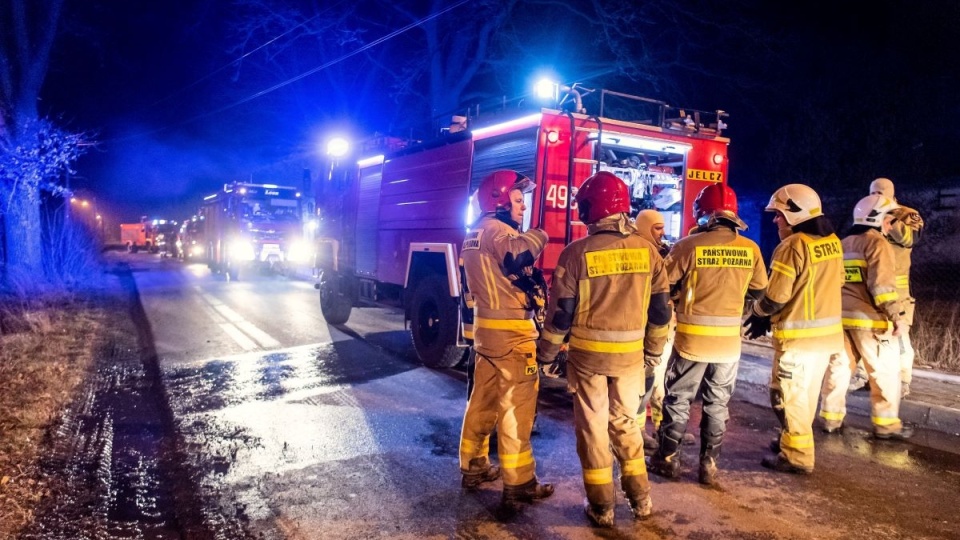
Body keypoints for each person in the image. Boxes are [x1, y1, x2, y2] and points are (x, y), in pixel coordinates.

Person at [536, 171, 671, 527]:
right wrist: (653, 354)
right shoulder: (649, 252)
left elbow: (561, 315)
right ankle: (641, 499)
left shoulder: (574, 254)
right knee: (627, 425)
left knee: (594, 431)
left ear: (589, 209)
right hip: (631, 360)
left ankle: (601, 507)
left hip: (588, 362)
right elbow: (661, 312)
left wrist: (545, 356)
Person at [648, 183, 768, 486]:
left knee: (678, 400)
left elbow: (663, 285)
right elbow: (759, 291)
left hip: (691, 342)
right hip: (729, 345)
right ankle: (708, 466)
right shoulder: (751, 249)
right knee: (718, 404)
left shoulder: (689, 246)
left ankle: (667, 460)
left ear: (703, 215)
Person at [458, 170, 554, 514]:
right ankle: (519, 484)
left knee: (481, 402)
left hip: (487, 336)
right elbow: (517, 256)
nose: (523, 206)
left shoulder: (473, 234)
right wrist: (541, 234)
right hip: (513, 338)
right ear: (498, 200)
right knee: (516, 411)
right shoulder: (499, 231)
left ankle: (474, 466)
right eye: (517, 199)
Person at [744, 184, 844, 474]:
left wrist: (759, 314)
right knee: (804, 397)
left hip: (799, 342)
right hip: (826, 339)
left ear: (796, 214)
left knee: (785, 396)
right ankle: (791, 439)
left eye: (779, 215)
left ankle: (797, 455)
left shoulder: (792, 246)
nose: (775, 220)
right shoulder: (833, 242)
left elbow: (776, 296)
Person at [819, 194, 913, 440]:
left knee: (838, 370)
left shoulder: (843, 243)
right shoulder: (877, 244)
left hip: (840, 317)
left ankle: (830, 419)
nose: (890, 225)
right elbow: (881, 287)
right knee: (885, 372)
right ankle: (886, 425)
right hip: (870, 321)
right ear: (879, 218)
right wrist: (897, 317)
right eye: (889, 219)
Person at [849, 178, 924, 397]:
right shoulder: (868, 211)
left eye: (880, 194)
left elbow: (912, 238)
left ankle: (902, 381)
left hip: (897, 292)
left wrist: (888, 218)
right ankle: (867, 378)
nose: (876, 198)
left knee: (899, 337)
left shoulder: (907, 214)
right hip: (871, 286)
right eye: (873, 194)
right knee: (870, 335)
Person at [633, 209, 681, 452]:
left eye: (663, 227)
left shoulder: (662, 253)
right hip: (647, 327)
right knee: (646, 380)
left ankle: (662, 427)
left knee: (660, 379)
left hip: (664, 327)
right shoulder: (641, 253)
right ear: (644, 227)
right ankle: (639, 430)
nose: (663, 233)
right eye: (657, 228)